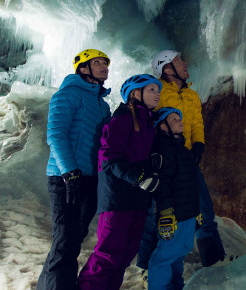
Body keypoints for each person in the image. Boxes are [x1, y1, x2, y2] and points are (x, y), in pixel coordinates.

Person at [136, 49, 229, 286]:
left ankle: (214, 260)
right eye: (178, 61)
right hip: (164, 161)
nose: (185, 63)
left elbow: (197, 123)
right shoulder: (157, 93)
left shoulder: (191, 95)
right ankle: (148, 266)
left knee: (204, 209)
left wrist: (198, 145)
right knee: (155, 213)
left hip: (186, 160)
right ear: (167, 69)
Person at [77, 74, 163, 290]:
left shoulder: (148, 124)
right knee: (109, 253)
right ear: (136, 94)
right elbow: (108, 159)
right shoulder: (122, 120)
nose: (157, 94)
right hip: (117, 199)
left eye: (158, 90)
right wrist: (140, 177)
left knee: (125, 255)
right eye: (152, 90)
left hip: (137, 199)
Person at [37, 49, 112, 290]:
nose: (104, 67)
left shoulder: (102, 104)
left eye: (106, 63)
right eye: (98, 63)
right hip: (64, 177)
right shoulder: (67, 95)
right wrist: (69, 173)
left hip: (89, 178)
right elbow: (56, 135)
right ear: (83, 68)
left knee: (73, 240)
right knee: (65, 241)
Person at [146, 107, 200, 289]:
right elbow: (163, 185)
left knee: (179, 253)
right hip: (174, 214)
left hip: (187, 214)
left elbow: (190, 185)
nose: (180, 121)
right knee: (164, 257)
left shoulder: (183, 150)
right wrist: (166, 213)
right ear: (162, 126)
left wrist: (196, 211)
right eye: (174, 118)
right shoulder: (163, 150)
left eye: (180, 118)